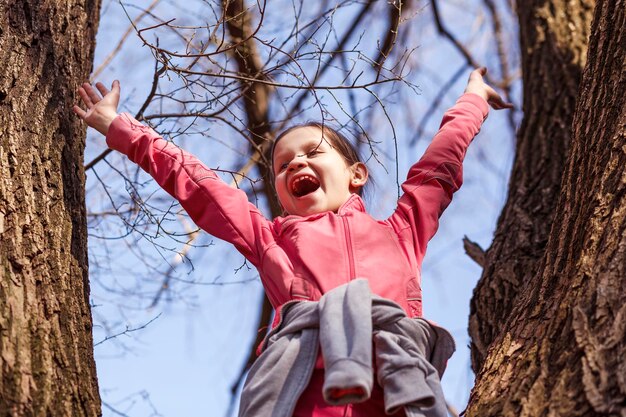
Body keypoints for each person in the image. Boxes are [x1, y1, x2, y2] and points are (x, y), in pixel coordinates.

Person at [74, 67, 512, 416]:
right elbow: (200, 184)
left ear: (356, 175)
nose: (296, 162)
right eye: (283, 165)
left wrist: (473, 100)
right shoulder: (270, 240)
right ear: (281, 192)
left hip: (393, 389)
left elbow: (438, 166)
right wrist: (120, 128)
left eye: (313, 152)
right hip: (303, 389)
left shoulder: (400, 232)